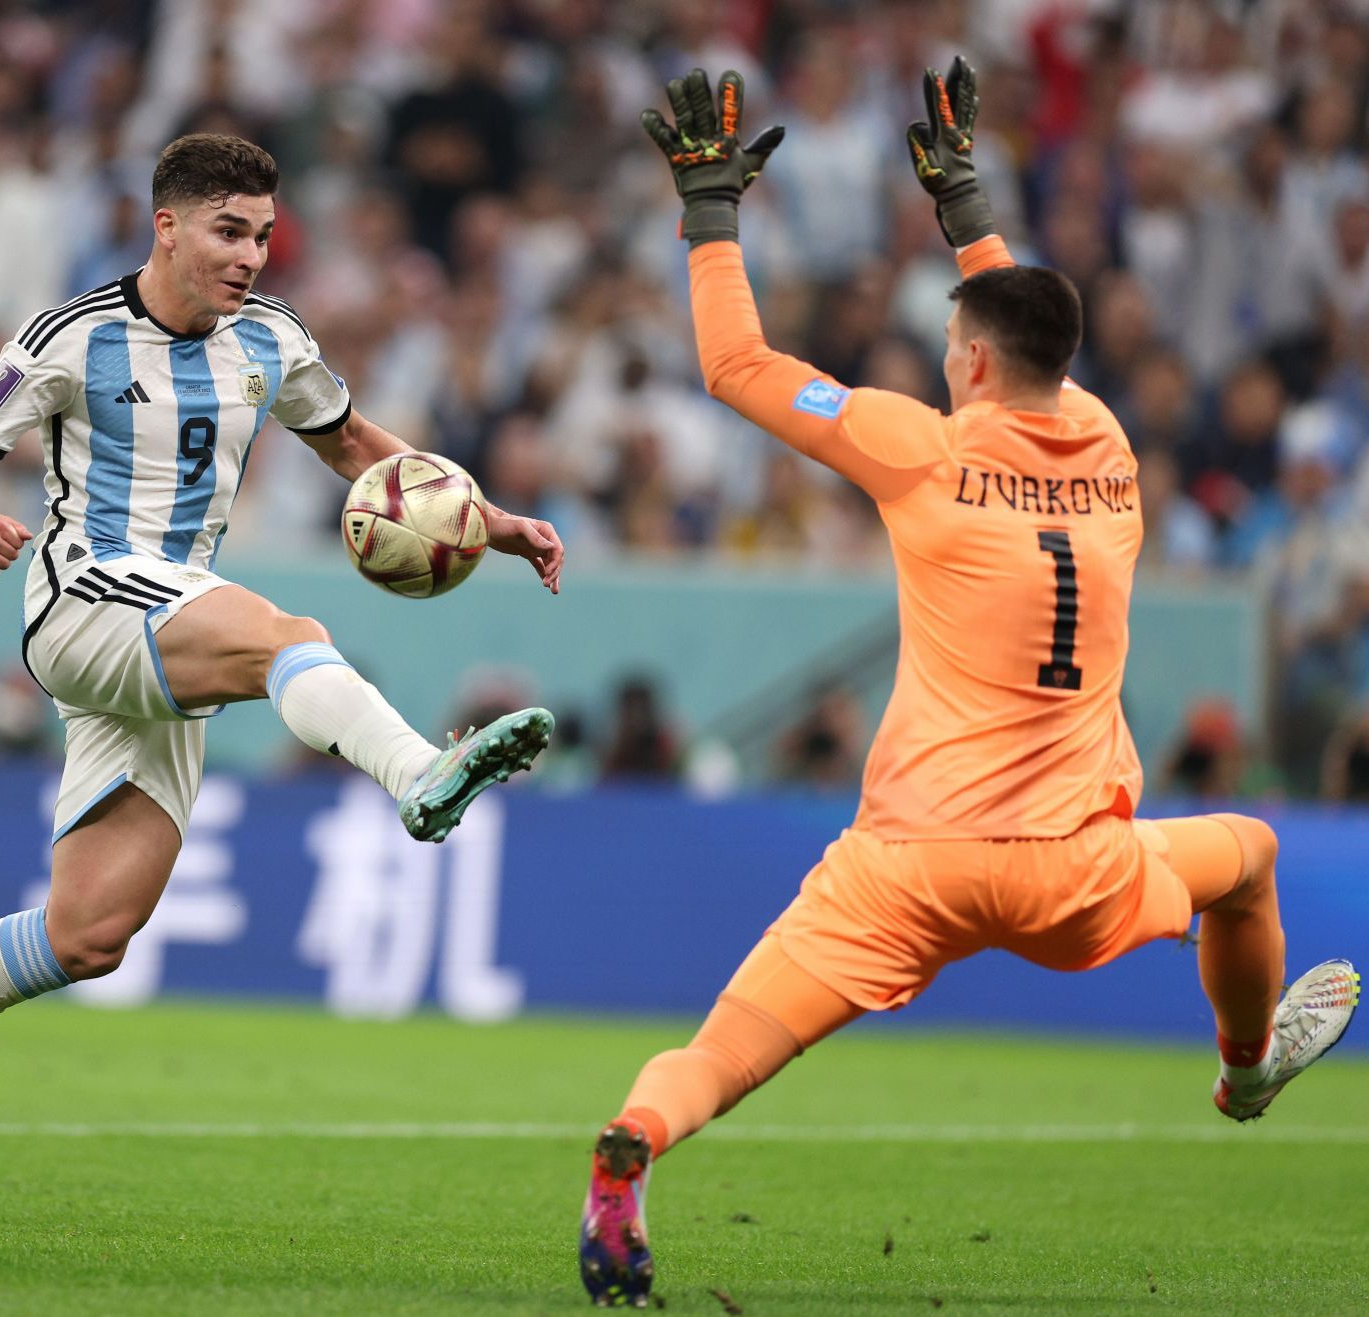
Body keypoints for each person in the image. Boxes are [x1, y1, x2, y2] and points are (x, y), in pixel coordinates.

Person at [577, 64, 1360, 1308]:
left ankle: (637, 1143)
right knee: (1250, 853)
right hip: (1073, 871)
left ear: (976, 366)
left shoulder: (918, 452)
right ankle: (1246, 1069)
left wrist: (710, 210)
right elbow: (1029, 324)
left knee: (724, 1052)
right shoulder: (1111, 454)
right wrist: (969, 207)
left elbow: (734, 366)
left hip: (906, 866)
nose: (945, 357)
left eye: (953, 343)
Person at [0, 133, 563, 1161]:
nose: (250, 256)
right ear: (167, 226)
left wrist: (492, 521)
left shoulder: (272, 339)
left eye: (265, 236)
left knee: (88, 934)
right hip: (83, 599)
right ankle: (419, 770)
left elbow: (362, 451)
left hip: (168, 631)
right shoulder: (70, 337)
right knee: (291, 636)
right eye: (230, 231)